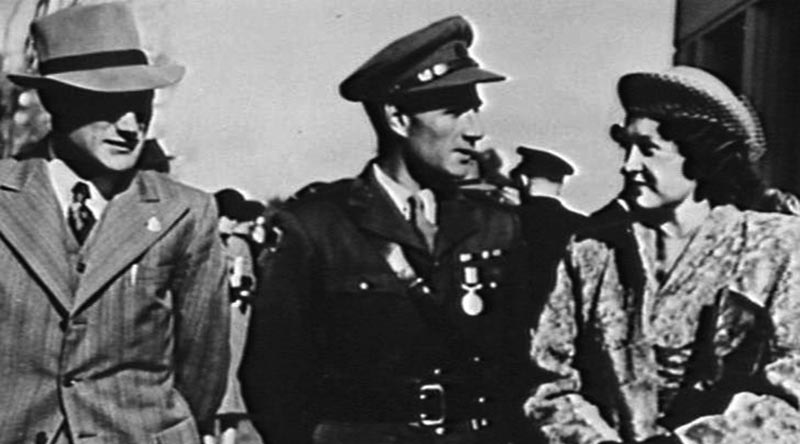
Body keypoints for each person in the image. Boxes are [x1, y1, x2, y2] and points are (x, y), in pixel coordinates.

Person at [242, 15, 536, 444]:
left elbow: (519, 366)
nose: (475, 131)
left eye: (475, 110)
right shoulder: (317, 228)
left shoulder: (496, 226)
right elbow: (272, 379)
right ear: (398, 119)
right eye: (453, 111)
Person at [525, 65, 800, 444]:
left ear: (701, 154)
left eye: (648, 150)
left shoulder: (779, 246)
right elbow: (547, 382)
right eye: (627, 147)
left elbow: (792, 391)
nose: (629, 165)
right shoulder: (591, 253)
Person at [0, 3, 229, 443]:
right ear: (55, 100)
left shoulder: (185, 212)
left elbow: (204, 368)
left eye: (140, 105)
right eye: (107, 102)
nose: (130, 126)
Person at [509, 146, 586, 299]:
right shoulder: (581, 223)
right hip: (562, 306)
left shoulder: (506, 219)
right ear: (560, 186)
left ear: (524, 180)